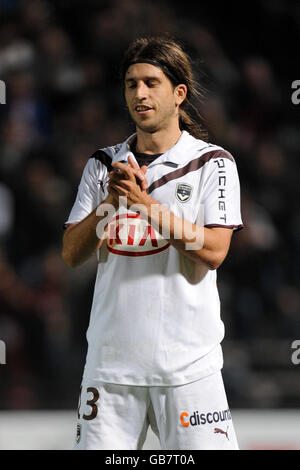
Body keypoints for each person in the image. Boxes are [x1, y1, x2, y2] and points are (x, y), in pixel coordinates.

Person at [62, 35, 243, 450]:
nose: (139, 94)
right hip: (109, 371)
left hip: (187, 370)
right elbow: (72, 254)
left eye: (150, 82)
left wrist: (143, 205)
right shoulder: (104, 165)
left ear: (179, 93)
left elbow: (214, 252)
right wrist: (111, 201)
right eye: (131, 84)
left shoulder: (212, 164)